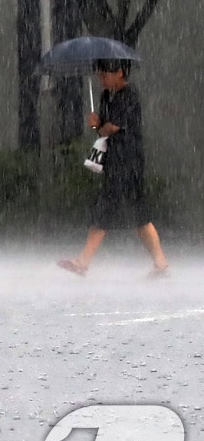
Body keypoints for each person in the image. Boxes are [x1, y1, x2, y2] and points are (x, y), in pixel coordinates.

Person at [57, 59, 169, 278]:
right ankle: (161, 263)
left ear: (119, 72)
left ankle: (83, 262)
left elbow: (113, 127)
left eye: (105, 75)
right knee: (138, 214)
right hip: (114, 159)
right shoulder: (106, 96)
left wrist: (100, 129)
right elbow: (103, 127)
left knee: (106, 208)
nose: (101, 79)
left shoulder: (130, 95)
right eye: (99, 75)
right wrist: (95, 124)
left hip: (129, 160)